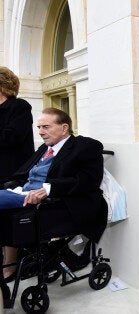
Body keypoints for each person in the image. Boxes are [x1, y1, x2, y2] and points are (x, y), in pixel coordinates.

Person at [0, 108, 106, 307]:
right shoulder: (44, 148)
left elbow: (88, 181)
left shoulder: (86, 146)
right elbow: (24, 175)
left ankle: (6, 282)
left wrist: (49, 189)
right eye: (39, 127)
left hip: (55, 205)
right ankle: (8, 273)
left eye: (46, 126)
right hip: (23, 195)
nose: (40, 131)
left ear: (64, 127)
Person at [0, 66, 34, 283]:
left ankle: (10, 265)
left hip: (13, 173)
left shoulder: (19, 107)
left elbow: (11, 138)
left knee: (6, 218)